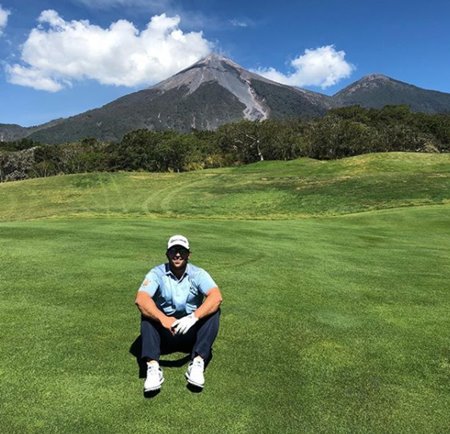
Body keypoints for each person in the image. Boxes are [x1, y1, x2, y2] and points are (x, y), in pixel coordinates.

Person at [135, 235, 222, 391]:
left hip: (191, 332)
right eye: (173, 250)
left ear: (188, 254)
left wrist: (193, 317)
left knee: (214, 311)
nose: (177, 254)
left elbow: (216, 297)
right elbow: (141, 299)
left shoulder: (198, 273)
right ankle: (153, 367)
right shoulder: (156, 273)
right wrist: (163, 319)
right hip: (165, 333)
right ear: (167, 254)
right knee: (147, 313)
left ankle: (197, 362)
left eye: (181, 251)